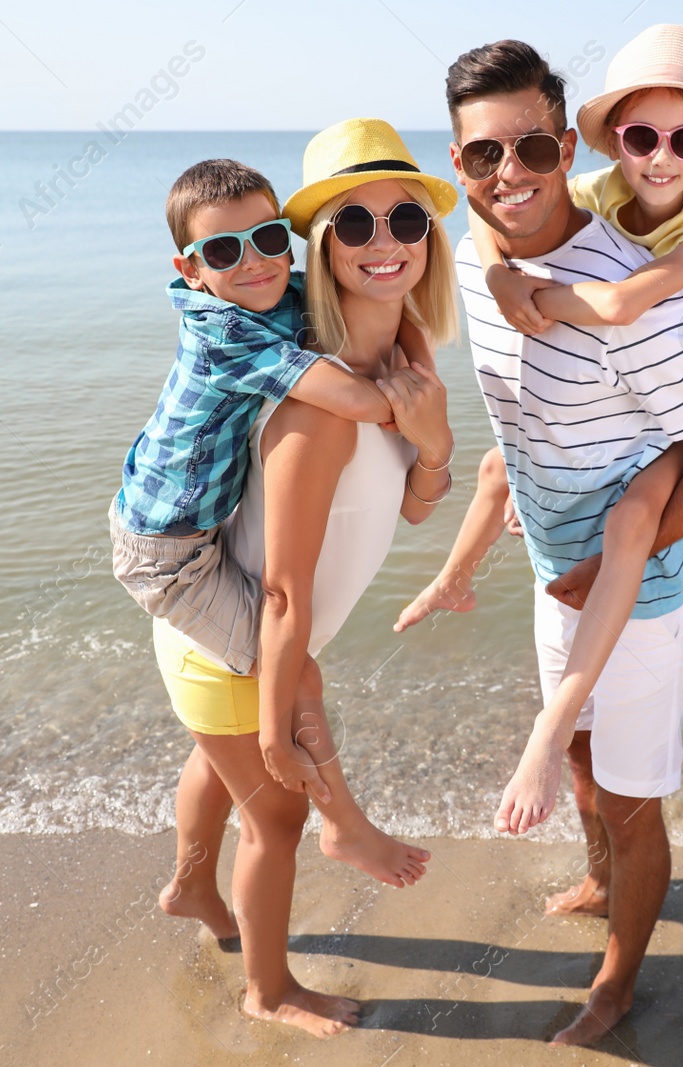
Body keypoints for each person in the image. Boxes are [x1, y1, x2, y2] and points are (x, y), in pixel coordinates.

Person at [437, 40, 683, 1047]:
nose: (508, 175)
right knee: (581, 761)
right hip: (557, 571)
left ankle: (618, 984)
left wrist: (610, 557)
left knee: (632, 804)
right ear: (454, 162)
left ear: (561, 140)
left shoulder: (647, 302)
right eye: (480, 156)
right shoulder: (470, 250)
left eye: (530, 148)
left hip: (644, 590)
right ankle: (595, 876)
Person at [147, 119, 459, 1037]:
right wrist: (285, 723)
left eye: (407, 219)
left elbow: (411, 504)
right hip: (236, 636)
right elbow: (280, 593)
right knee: (277, 817)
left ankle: (190, 886)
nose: (386, 242)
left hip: (259, 629)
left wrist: (435, 440)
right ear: (323, 246)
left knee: (217, 759)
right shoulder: (311, 404)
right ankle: (268, 987)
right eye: (354, 225)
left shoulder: (405, 353)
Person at [110, 158, 433, 894]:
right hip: (168, 556)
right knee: (294, 669)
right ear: (190, 269)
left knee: (211, 765)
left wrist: (413, 352)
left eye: (267, 239)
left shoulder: (276, 291)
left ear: (291, 242)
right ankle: (345, 826)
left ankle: (190, 886)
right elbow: (349, 401)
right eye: (224, 252)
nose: (253, 263)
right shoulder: (229, 328)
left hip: (189, 527)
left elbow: (388, 307)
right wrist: (419, 411)